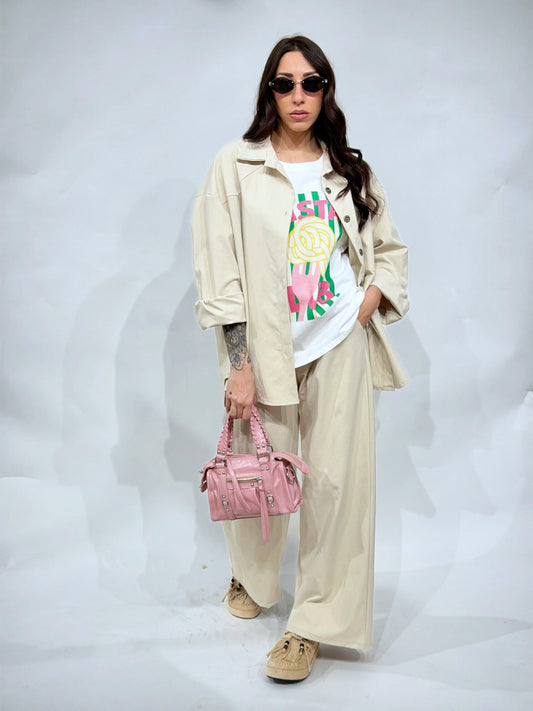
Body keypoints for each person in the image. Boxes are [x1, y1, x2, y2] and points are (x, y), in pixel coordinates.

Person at [192, 35, 408, 682]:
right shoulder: (236, 165)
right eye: (284, 83)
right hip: (265, 352)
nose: (298, 95)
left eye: (311, 83)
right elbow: (220, 270)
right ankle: (254, 577)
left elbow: (388, 250)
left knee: (336, 488)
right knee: (258, 472)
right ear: (269, 91)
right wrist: (238, 363)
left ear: (325, 91)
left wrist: (366, 303)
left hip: (339, 341)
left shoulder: (348, 171)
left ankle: (311, 625)